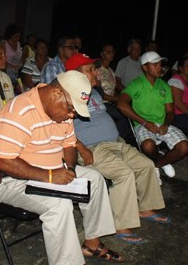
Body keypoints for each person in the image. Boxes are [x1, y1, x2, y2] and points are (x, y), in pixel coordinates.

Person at [0, 71, 122, 265]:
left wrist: (68, 170)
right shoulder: (19, 111)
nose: (71, 115)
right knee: (58, 204)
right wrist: (51, 177)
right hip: (10, 180)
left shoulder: (63, 108)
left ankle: (92, 243)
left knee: (94, 179)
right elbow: (4, 162)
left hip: (50, 171)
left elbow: (69, 144)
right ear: (56, 93)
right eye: (70, 109)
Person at [66, 53, 170, 245]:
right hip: (93, 148)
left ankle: (145, 208)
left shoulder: (94, 92)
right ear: (76, 74)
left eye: (95, 68)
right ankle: (121, 224)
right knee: (124, 174)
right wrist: (80, 147)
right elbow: (59, 129)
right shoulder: (67, 96)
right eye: (91, 69)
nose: (97, 72)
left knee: (146, 165)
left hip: (115, 142)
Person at [117, 51, 188, 178]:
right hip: (142, 124)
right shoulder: (136, 84)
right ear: (145, 67)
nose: (159, 67)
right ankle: (160, 157)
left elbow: (170, 111)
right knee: (148, 146)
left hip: (162, 123)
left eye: (160, 64)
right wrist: (145, 123)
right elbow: (121, 104)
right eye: (155, 65)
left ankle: (157, 165)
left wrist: (166, 124)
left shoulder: (164, 86)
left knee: (184, 147)